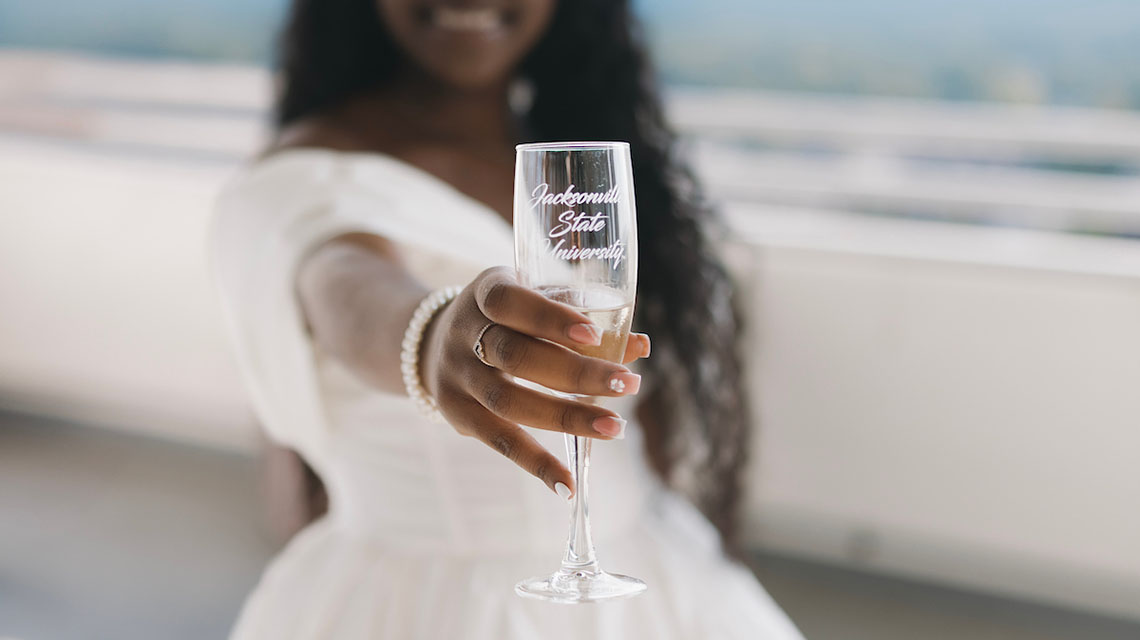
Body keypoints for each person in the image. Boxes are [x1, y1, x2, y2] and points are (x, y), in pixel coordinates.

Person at [210, 0, 803, 637]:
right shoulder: (303, 178)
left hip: (647, 574)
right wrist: (435, 335)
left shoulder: (574, 146)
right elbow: (343, 286)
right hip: (438, 605)